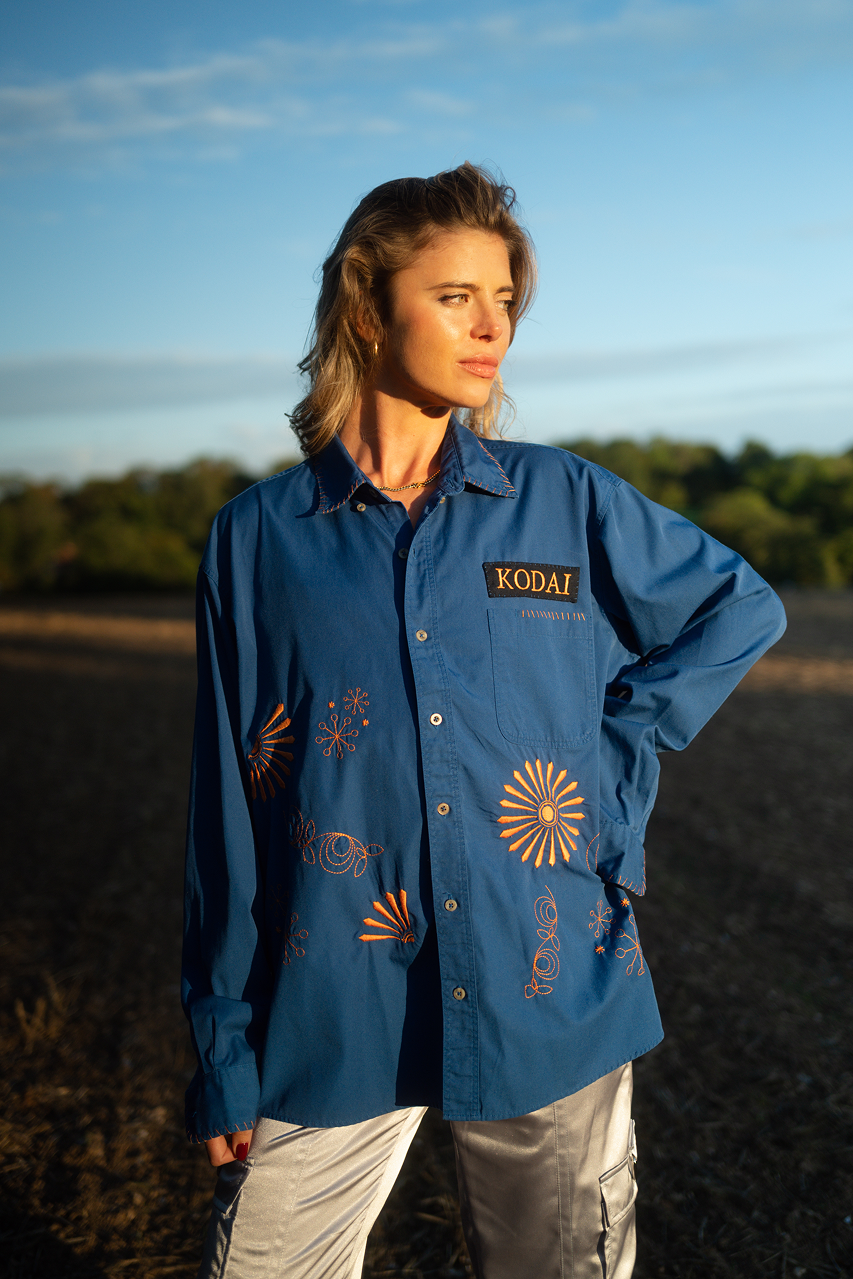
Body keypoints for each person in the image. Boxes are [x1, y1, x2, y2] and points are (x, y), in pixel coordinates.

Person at [182, 162, 786, 1278]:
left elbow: (736, 607)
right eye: (456, 296)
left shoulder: (564, 499)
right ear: (367, 307)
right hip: (332, 1004)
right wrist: (224, 1041)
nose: (490, 327)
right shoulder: (258, 539)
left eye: (505, 300)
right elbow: (225, 808)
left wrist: (619, 747)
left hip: (549, 982)